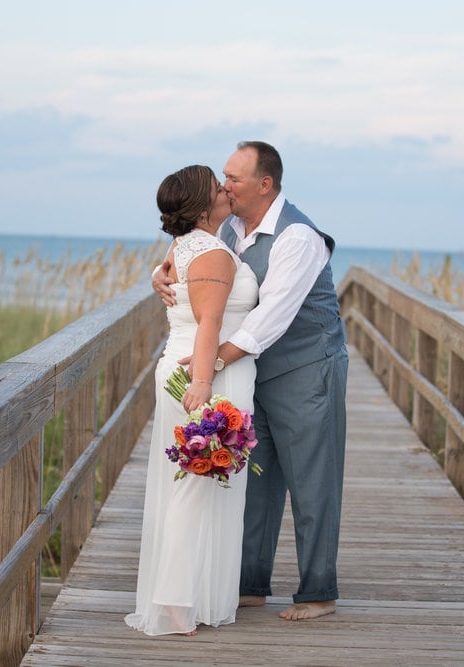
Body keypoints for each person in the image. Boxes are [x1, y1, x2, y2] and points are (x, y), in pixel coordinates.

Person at [153, 141, 348, 621]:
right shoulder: (233, 226)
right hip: (252, 370)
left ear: (265, 184)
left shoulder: (297, 237)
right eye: (223, 177)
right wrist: (159, 274)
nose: (224, 186)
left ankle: (318, 592)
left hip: (306, 368)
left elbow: (272, 319)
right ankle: (250, 584)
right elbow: (196, 260)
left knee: (311, 478)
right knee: (254, 478)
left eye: (233, 179)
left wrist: (210, 364)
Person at [125, 164, 259, 636]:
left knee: (196, 481)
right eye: (217, 187)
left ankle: (189, 592)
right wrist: (203, 385)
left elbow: (178, 280)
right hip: (200, 377)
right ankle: (177, 600)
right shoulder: (212, 253)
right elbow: (208, 323)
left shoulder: (185, 245)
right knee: (197, 482)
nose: (226, 190)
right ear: (204, 207)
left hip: (191, 368)